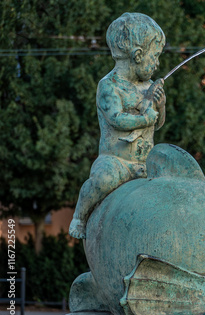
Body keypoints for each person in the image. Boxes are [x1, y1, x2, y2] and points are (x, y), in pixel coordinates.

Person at [69, 13, 166, 239]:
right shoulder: (109, 86)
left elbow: (158, 125)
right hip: (117, 161)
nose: (158, 63)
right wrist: (145, 118)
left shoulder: (149, 87)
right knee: (103, 180)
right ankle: (79, 216)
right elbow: (117, 119)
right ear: (138, 55)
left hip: (145, 162)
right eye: (156, 56)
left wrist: (161, 106)